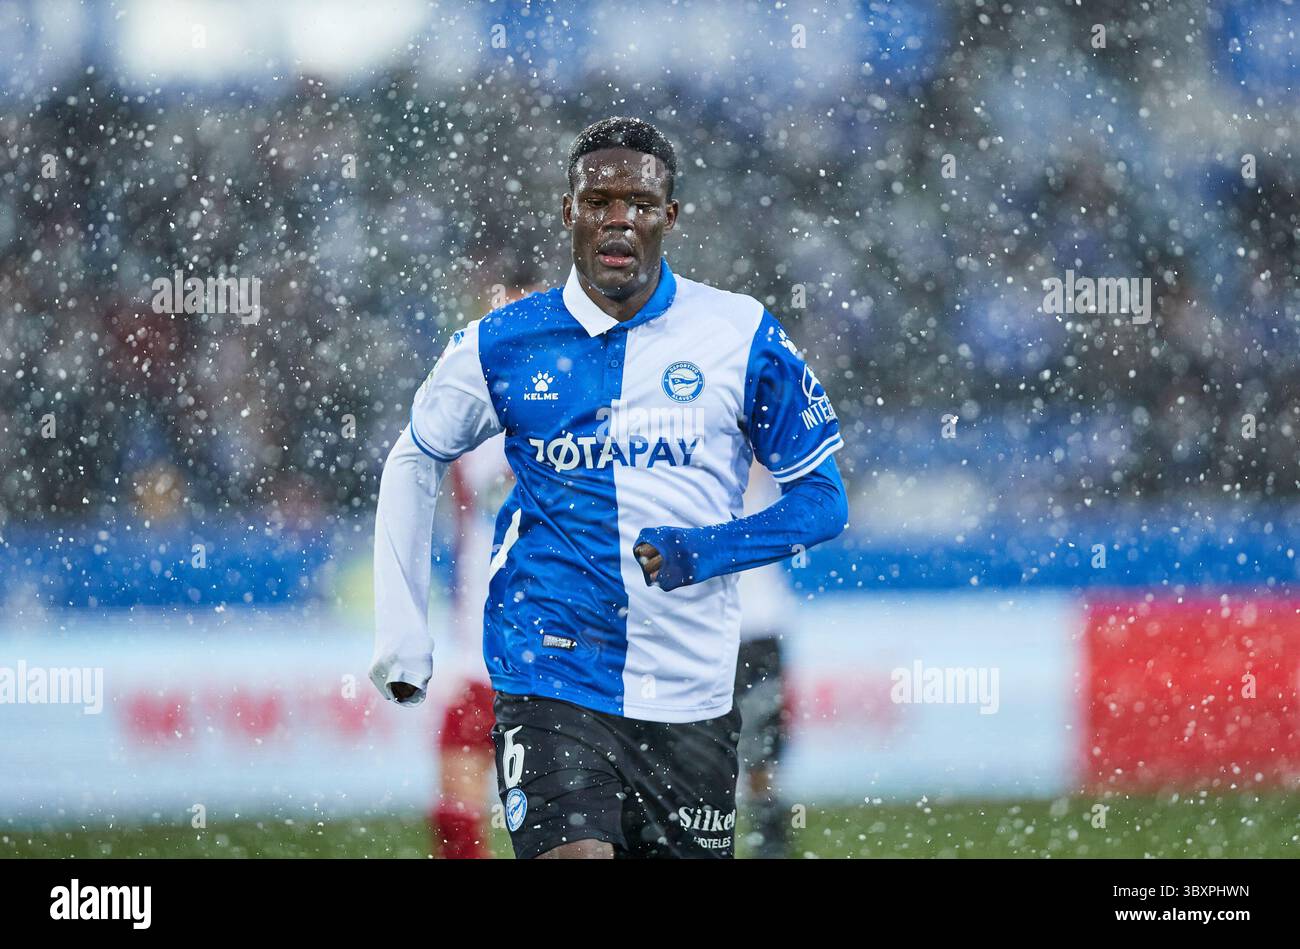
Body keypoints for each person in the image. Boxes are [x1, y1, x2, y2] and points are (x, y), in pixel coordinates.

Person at [370, 116, 848, 859]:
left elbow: (824, 499)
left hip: (691, 694)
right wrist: (402, 632)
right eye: (599, 201)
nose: (619, 217)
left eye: (641, 202)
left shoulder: (740, 334)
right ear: (569, 211)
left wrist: (707, 550)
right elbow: (414, 455)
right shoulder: (501, 343)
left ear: (671, 216)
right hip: (552, 672)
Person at [733, 460, 799, 858]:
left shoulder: (751, 448)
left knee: (762, 756)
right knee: (694, 751)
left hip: (756, 627)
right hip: (706, 629)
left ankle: (771, 846)